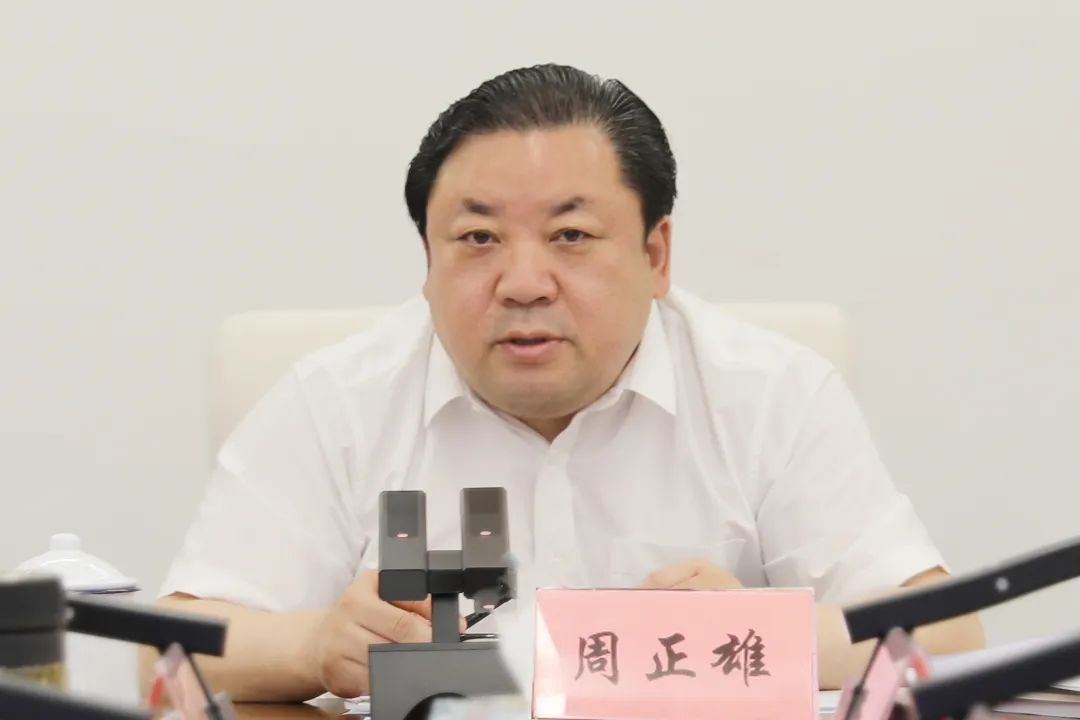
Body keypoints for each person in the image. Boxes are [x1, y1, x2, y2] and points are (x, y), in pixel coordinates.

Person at [154, 64, 983, 701]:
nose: (523, 283)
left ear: (655, 254)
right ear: (428, 261)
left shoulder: (772, 394)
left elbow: (947, 638)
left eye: (571, 235)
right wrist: (312, 648)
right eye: (478, 238)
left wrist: (755, 638)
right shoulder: (334, 402)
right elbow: (170, 653)